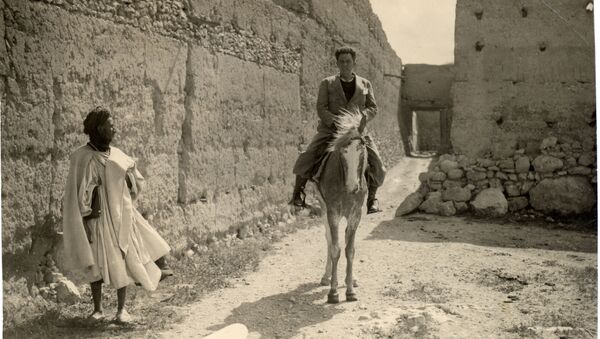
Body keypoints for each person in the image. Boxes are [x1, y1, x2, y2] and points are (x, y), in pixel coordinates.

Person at [62, 107, 173, 323]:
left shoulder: (119, 155)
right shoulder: (81, 157)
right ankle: (97, 309)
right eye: (111, 126)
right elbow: (76, 193)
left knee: (121, 260)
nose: (115, 129)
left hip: (120, 218)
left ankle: (122, 310)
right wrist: (91, 200)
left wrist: (127, 178)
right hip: (96, 218)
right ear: (99, 128)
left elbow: (136, 184)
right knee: (95, 262)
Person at [291, 46, 386, 214]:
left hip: (357, 131)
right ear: (337, 63)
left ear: (354, 63)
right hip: (332, 130)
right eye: (341, 62)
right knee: (309, 154)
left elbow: (373, 107)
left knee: (377, 161)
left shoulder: (365, 84)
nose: (345, 65)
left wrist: (362, 118)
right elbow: (321, 107)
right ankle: (298, 192)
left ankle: (372, 199)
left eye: (348, 61)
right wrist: (334, 121)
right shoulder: (327, 83)